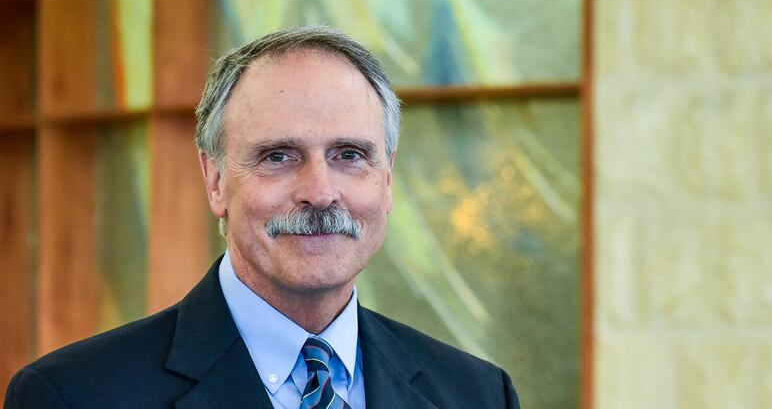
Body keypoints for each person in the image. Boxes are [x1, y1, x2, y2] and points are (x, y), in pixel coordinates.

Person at [5, 25, 520, 408]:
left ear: (387, 180)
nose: (321, 193)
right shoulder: (73, 395)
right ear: (215, 181)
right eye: (278, 156)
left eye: (349, 155)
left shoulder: (478, 395)